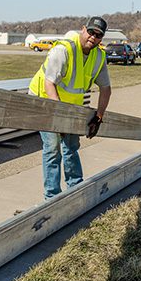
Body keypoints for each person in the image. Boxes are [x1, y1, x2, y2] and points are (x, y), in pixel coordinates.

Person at [28, 16, 112, 200]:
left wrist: (98, 117)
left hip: (70, 106)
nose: (93, 37)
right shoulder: (63, 50)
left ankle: (75, 188)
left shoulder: (98, 56)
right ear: (83, 29)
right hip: (45, 100)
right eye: (91, 32)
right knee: (52, 148)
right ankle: (52, 197)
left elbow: (106, 89)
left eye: (98, 35)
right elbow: (50, 84)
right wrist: (61, 120)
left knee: (71, 145)